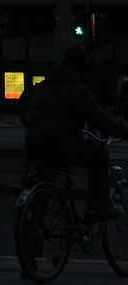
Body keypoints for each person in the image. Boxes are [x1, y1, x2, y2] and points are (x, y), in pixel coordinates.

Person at [23, 45, 128, 223]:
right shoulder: (77, 90)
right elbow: (102, 119)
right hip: (62, 144)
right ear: (82, 69)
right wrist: (125, 132)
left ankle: (33, 229)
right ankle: (96, 209)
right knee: (99, 159)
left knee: (47, 174)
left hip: (32, 143)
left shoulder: (43, 86)